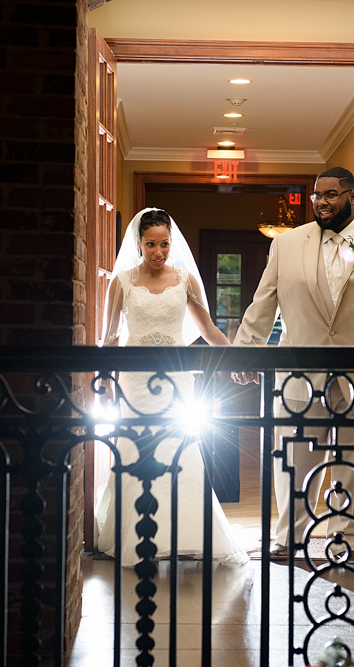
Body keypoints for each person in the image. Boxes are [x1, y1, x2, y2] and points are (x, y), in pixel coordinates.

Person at [233, 167, 354, 564]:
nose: (322, 203)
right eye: (316, 196)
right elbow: (263, 301)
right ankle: (289, 539)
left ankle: (348, 543)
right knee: (294, 461)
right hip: (299, 377)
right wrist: (245, 348)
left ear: (352, 196)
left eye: (331, 195)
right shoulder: (287, 245)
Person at [94, 207, 249, 565]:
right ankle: (137, 536)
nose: (159, 252)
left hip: (177, 379)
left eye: (164, 244)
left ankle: (184, 534)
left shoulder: (185, 282)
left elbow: (208, 331)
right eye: (151, 244)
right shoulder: (122, 283)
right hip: (135, 382)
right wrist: (103, 380)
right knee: (137, 448)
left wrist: (238, 357)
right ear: (139, 244)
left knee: (180, 448)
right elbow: (110, 338)